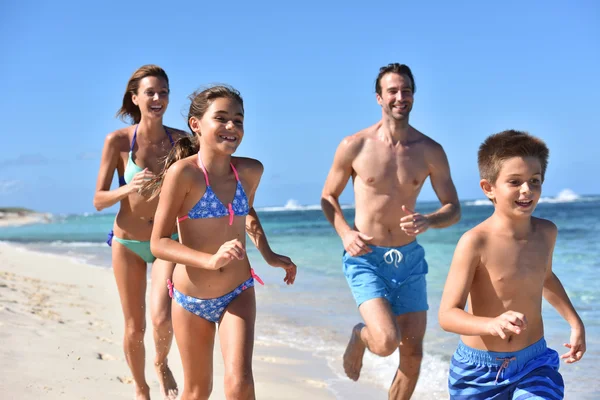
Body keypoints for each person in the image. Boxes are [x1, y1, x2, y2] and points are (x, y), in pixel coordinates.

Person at [321, 63, 461, 399]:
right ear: (379, 98)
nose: (401, 97)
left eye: (406, 90)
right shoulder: (355, 145)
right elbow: (328, 196)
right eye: (393, 91)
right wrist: (344, 233)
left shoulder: (430, 151)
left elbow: (453, 208)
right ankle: (360, 334)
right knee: (385, 342)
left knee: (412, 357)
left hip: (410, 259)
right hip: (366, 257)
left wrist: (430, 220)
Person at [149, 84, 297, 400]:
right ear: (196, 124)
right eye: (222, 118)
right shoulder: (183, 175)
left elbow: (246, 211)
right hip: (192, 299)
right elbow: (159, 242)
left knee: (240, 384)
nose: (232, 127)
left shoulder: (250, 170)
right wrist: (210, 260)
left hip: (238, 290)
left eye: (238, 120)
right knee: (198, 391)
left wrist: (268, 254)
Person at [438, 130, 586, 399]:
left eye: (535, 181)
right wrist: (490, 324)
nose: (527, 190)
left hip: (534, 363)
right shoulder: (474, 242)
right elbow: (447, 314)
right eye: (515, 181)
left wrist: (575, 322)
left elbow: (545, 278)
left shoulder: (546, 232)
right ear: (489, 188)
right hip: (478, 371)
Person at [93, 65, 187, 400]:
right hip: (128, 241)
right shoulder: (118, 142)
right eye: (150, 92)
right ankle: (141, 387)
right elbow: (99, 199)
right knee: (135, 328)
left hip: (166, 241)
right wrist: (127, 188)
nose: (158, 98)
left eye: (163, 91)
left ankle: (161, 364)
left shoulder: (182, 142)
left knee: (162, 318)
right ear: (136, 98)